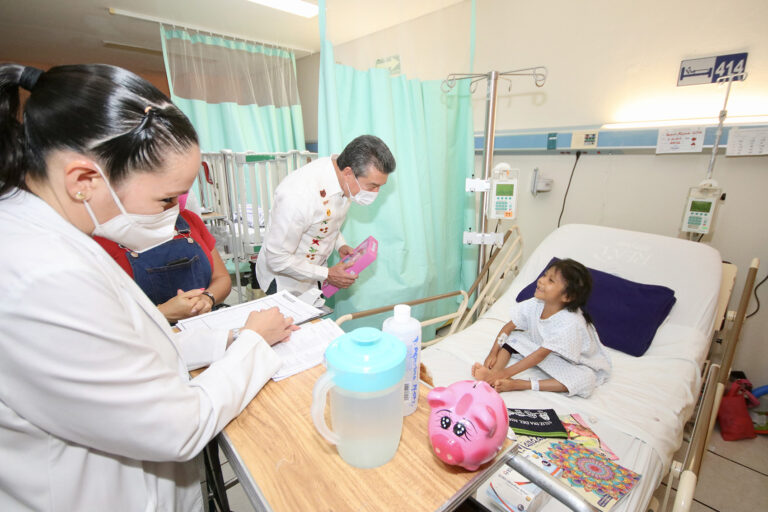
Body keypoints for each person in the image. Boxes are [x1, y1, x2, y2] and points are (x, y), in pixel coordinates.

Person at [0, 63, 298, 511]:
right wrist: (252, 344)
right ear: (83, 180)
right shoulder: (41, 275)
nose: (174, 213)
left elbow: (128, 348)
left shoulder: (56, 235)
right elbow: (178, 427)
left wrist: (229, 337)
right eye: (165, 199)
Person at [254, 135, 395, 296]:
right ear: (348, 173)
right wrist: (327, 274)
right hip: (282, 280)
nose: (375, 193)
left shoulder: (342, 177)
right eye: (372, 186)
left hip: (313, 275)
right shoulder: (298, 197)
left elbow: (327, 218)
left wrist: (340, 245)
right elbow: (277, 258)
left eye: (380, 187)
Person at [471, 258, 611, 397]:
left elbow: (539, 356)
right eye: (545, 275)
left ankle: (517, 383)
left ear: (567, 296)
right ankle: (493, 374)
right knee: (514, 337)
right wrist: (493, 353)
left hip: (574, 362)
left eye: (551, 280)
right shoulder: (536, 303)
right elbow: (508, 327)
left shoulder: (570, 322)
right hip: (545, 349)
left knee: (586, 380)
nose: (541, 280)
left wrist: (505, 374)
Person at [94, 191, 231, 323]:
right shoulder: (99, 241)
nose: (175, 204)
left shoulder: (190, 220)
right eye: (167, 199)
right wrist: (161, 313)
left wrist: (206, 299)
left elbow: (222, 278)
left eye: (177, 196)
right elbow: (101, 321)